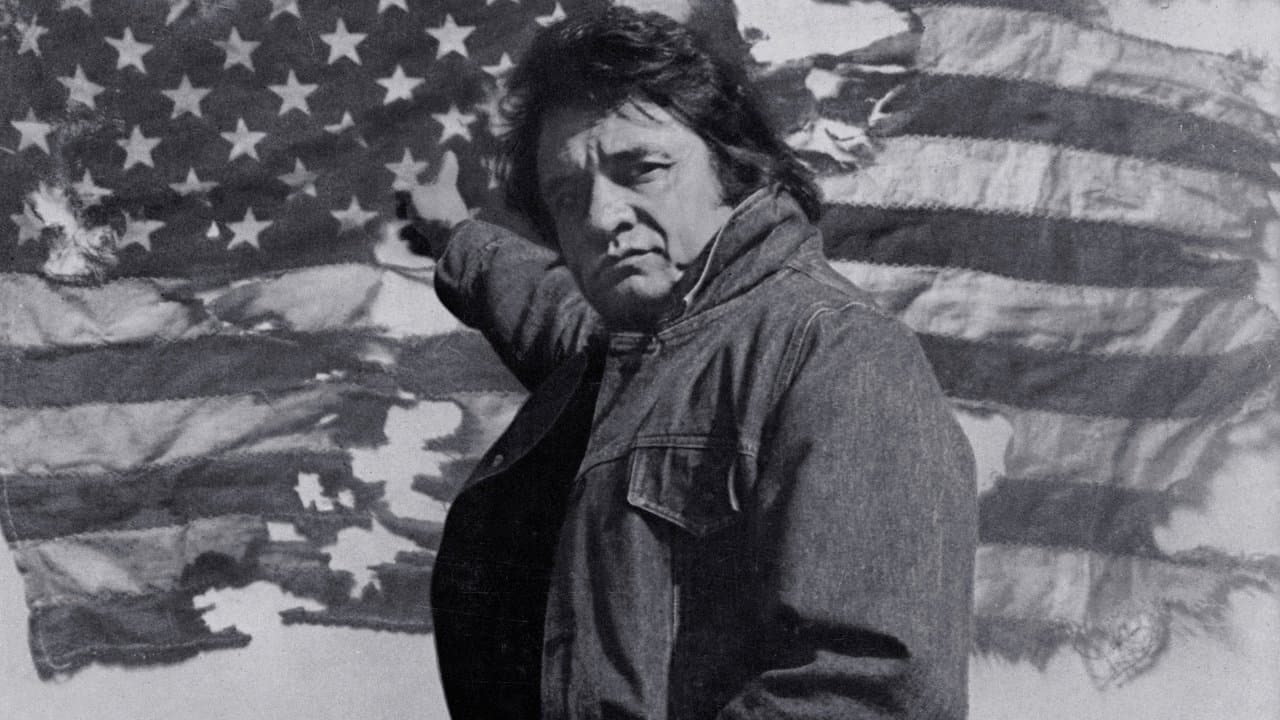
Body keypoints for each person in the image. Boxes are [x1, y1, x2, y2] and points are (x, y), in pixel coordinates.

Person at [409, 7, 977, 719]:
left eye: (643, 169)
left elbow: (868, 694)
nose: (601, 218)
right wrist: (453, 235)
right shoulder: (637, 348)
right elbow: (546, 308)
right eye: (567, 195)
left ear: (734, 168)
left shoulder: (836, 352)